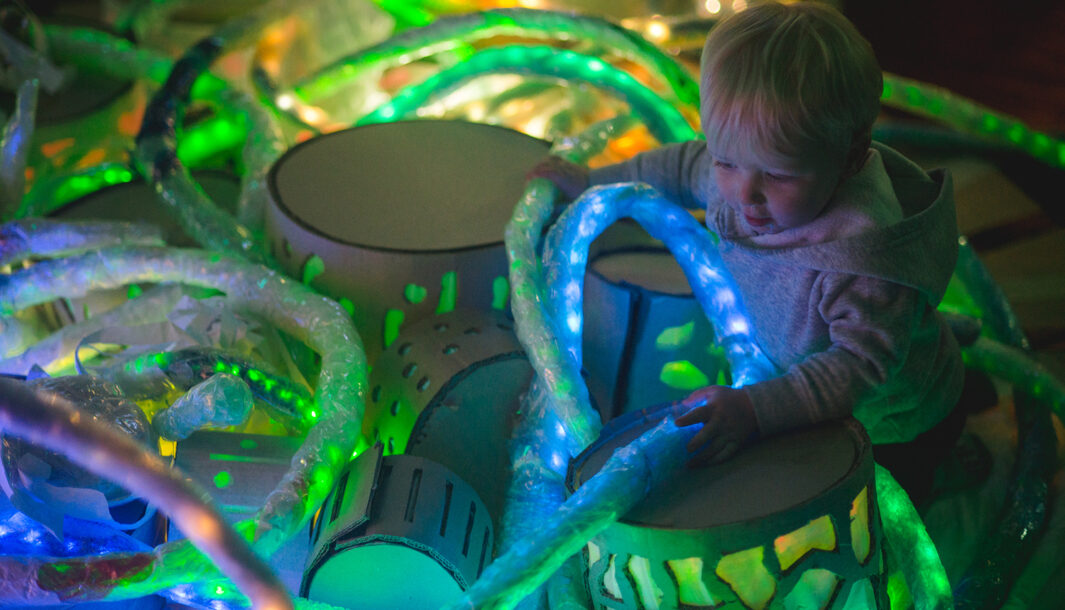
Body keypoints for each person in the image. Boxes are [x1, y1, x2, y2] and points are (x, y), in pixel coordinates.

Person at [530, 1, 968, 504]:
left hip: (896, 420)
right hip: (800, 375)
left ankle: (956, 452)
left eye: (778, 176)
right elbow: (681, 166)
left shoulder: (865, 259)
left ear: (849, 157)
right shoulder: (744, 174)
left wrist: (756, 411)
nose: (744, 195)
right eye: (726, 162)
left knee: (887, 509)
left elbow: (858, 369)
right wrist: (591, 182)